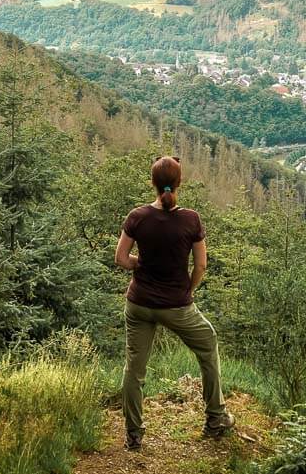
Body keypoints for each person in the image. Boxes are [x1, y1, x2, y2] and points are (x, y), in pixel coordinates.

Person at [114, 155, 234, 451]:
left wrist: (142, 264)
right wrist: (188, 290)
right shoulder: (191, 219)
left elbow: (121, 258)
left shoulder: (137, 216)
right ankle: (216, 418)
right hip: (177, 306)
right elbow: (201, 265)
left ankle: (133, 434)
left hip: (139, 303)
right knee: (208, 343)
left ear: (152, 183)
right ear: (179, 183)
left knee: (134, 369)